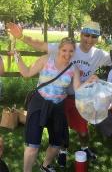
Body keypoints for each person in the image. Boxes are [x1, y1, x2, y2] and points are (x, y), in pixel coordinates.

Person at [7, 21, 112, 164]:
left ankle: (56, 159)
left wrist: (90, 81)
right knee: (37, 142)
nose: (89, 39)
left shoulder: (90, 59)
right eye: (87, 35)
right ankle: (60, 152)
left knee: (71, 132)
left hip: (69, 99)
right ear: (81, 34)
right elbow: (38, 47)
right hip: (46, 100)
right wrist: (21, 38)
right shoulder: (50, 57)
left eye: (94, 36)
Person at [12, 37, 97, 172]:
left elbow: (77, 89)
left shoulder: (73, 69)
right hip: (40, 103)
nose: (67, 54)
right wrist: (17, 56)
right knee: (33, 146)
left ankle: (45, 166)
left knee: (57, 144)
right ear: (59, 49)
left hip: (58, 107)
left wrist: (90, 81)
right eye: (64, 50)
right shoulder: (46, 60)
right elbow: (26, 73)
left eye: (71, 51)